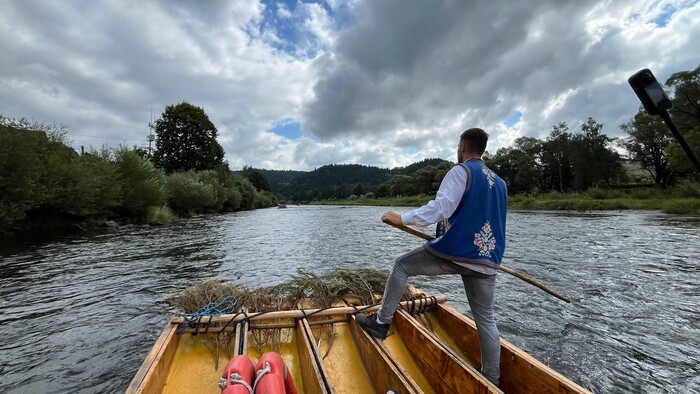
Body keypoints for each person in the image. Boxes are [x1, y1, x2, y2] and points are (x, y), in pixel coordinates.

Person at [356, 127, 507, 386]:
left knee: (401, 266)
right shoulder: (500, 183)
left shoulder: (461, 172)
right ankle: (491, 378)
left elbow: (441, 208)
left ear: (462, 147)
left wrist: (402, 218)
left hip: (457, 251)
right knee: (486, 319)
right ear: (482, 148)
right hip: (487, 260)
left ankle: (381, 323)